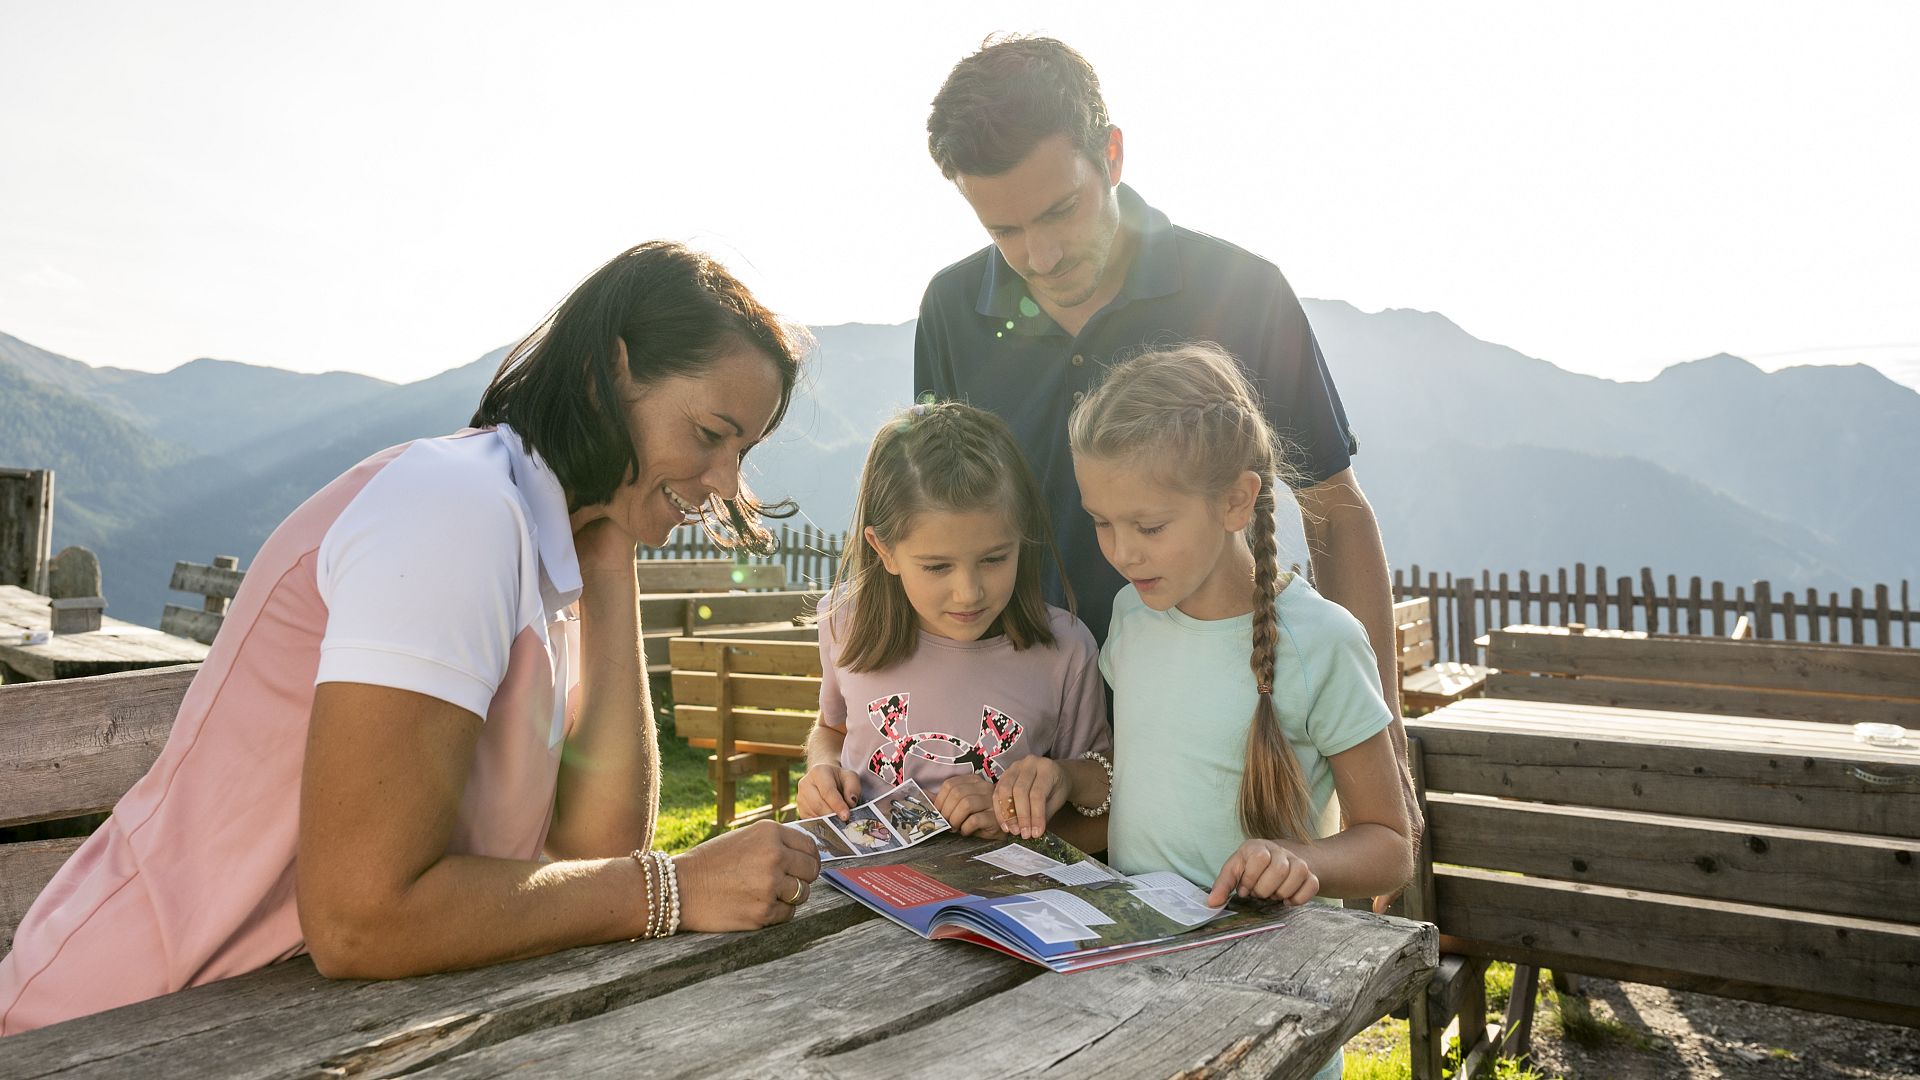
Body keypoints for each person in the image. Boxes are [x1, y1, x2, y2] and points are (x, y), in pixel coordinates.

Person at [0, 241, 822, 1035]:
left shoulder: (554, 549)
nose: (724, 484)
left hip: (295, 1022)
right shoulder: (453, 510)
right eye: (710, 435)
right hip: (122, 1023)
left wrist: (614, 552)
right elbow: (363, 919)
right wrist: (673, 888)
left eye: (741, 451)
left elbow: (597, 851)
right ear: (609, 374)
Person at [914, 36, 1418, 838]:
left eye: (1058, 211)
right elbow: (934, 512)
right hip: (1028, 754)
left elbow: (1336, 508)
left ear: (1110, 156)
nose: (1038, 257)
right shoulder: (949, 309)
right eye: (1004, 229)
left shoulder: (1242, 291)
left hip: (1226, 740)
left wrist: (1382, 738)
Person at [1059, 344, 1414, 1080]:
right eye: (1101, 522)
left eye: (1148, 526)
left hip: (1263, 1014)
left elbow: (1389, 842)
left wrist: (1304, 860)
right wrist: (1063, 777)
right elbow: (1144, 770)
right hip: (1137, 1000)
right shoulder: (1132, 617)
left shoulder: (1323, 642)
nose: (1121, 551)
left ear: (1234, 500)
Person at [796, 402, 1112, 852]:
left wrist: (1013, 816)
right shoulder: (844, 622)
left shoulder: (1065, 651)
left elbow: (1097, 800)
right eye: (937, 566)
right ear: (882, 549)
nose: (969, 592)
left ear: (1021, 536)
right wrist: (821, 770)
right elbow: (832, 729)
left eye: (994, 559)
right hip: (863, 888)